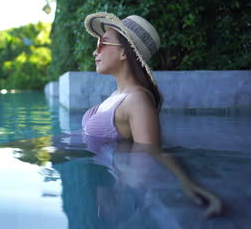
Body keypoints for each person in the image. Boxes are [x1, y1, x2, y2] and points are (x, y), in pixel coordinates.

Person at [82, 12, 223, 217]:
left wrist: (187, 183)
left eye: (103, 43)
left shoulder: (136, 100)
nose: (95, 51)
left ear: (124, 53)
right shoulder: (118, 95)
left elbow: (150, 152)